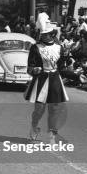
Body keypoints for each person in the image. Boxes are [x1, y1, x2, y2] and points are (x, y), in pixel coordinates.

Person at [25, 12, 69, 144]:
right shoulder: (35, 48)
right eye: (42, 34)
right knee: (39, 109)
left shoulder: (59, 48)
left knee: (54, 109)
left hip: (55, 79)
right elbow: (30, 67)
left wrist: (66, 56)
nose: (43, 36)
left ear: (52, 34)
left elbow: (61, 67)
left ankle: (51, 137)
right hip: (41, 79)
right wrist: (35, 70)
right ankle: (34, 127)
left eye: (46, 34)